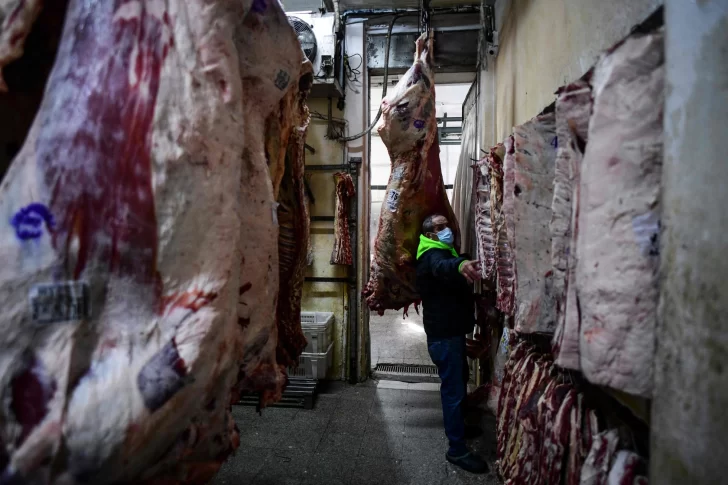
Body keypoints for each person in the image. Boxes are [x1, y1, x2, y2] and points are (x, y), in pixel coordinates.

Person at [415, 213, 488, 474]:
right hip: (444, 337)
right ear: (431, 234)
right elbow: (442, 267)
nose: (447, 230)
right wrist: (459, 265)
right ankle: (456, 450)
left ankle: (460, 427)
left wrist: (462, 260)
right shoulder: (431, 255)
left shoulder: (443, 250)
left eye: (447, 225)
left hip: (450, 333)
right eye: (440, 227)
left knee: (459, 381)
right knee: (454, 390)